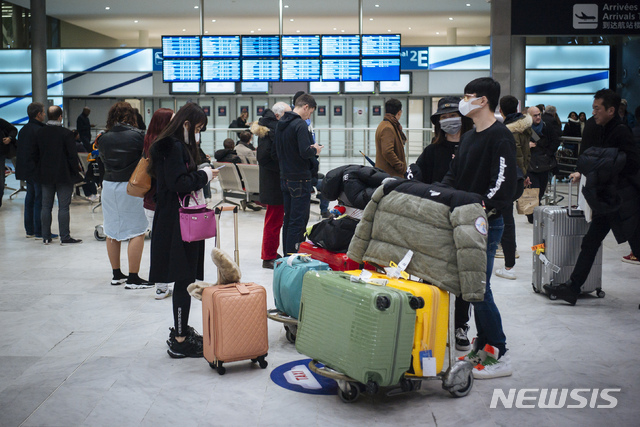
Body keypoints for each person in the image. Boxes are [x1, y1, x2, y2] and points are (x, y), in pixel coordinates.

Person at [441, 77, 517, 379]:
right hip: (464, 220)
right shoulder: (470, 136)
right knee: (471, 288)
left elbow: (503, 184)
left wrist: (482, 207)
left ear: (482, 100)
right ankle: (484, 344)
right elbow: (454, 174)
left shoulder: (500, 137)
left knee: (479, 289)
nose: (463, 101)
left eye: (467, 96)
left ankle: (499, 350)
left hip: (486, 222)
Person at [544, 89, 640, 305]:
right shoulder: (602, 129)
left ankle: (573, 287)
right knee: (590, 242)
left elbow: (631, 163)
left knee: (636, 245)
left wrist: (604, 164)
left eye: (597, 108)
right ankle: (573, 288)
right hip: (609, 199)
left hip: (623, 200)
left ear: (611, 110)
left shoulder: (621, 131)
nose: (593, 112)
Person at [148, 102, 218, 358]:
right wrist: (206, 176)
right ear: (186, 124)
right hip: (177, 222)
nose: (198, 132)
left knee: (185, 277)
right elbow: (178, 183)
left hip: (177, 219)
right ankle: (179, 339)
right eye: (197, 127)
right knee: (183, 278)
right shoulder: (172, 147)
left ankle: (181, 330)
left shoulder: (173, 145)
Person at [414, 96, 474, 351]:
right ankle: (431, 323)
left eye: (454, 116)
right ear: (438, 122)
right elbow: (419, 181)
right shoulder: (431, 152)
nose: (449, 121)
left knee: (463, 275)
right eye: (444, 117)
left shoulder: (474, 147)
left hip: (466, 219)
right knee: (432, 273)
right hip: (436, 221)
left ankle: (461, 325)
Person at [99, 102, 152, 289]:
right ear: (131, 116)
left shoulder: (103, 137)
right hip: (131, 187)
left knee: (111, 230)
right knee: (137, 231)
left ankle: (116, 274)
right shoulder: (139, 136)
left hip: (108, 185)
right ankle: (133, 277)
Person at [275, 93, 322, 255]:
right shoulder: (300, 125)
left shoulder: (281, 123)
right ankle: (294, 256)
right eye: (310, 112)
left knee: (288, 219)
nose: (309, 116)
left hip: (285, 177)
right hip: (300, 178)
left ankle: (287, 254)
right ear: (305, 107)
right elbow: (304, 152)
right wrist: (315, 150)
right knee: (299, 220)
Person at [32, 106, 83, 245]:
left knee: (46, 206)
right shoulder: (66, 134)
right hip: (63, 174)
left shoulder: (40, 132)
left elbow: (35, 154)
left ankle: (45, 236)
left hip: (45, 174)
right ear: (60, 116)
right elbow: (72, 156)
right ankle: (65, 237)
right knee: (64, 206)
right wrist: (75, 172)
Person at [495, 95, 531, 280]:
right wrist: (524, 174)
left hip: (507, 178)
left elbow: (513, 156)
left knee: (504, 220)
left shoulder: (507, 130)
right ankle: (509, 260)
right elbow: (526, 154)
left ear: (500, 110)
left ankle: (509, 264)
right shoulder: (525, 125)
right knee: (507, 219)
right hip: (518, 178)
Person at [253, 102, 291, 269]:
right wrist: (283, 167)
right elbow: (265, 157)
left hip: (273, 182)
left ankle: (270, 253)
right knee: (273, 221)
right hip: (273, 183)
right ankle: (268, 256)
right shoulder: (271, 132)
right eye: (287, 115)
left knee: (274, 220)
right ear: (278, 115)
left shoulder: (269, 129)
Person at [142, 107, 175, 299]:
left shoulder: (146, 140)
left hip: (149, 199)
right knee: (164, 244)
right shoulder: (163, 144)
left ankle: (162, 283)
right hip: (161, 199)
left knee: (158, 242)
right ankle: (162, 285)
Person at [15, 102, 47, 237]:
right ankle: (39, 231)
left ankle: (30, 230)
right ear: (38, 114)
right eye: (43, 112)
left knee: (30, 198)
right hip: (37, 170)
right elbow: (42, 152)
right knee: (39, 199)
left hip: (26, 170)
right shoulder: (40, 130)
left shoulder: (23, 130)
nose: (45, 115)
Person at [526, 105, 561, 223]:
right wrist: (527, 146)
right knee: (533, 190)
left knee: (541, 191)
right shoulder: (524, 128)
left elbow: (556, 140)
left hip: (544, 163)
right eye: (535, 115)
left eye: (539, 114)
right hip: (531, 164)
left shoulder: (547, 126)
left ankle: (534, 212)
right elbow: (517, 145)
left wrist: (548, 153)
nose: (538, 117)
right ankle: (532, 215)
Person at [374, 98, 407, 177]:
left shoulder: (386, 124)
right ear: (399, 113)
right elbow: (387, 152)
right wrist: (401, 167)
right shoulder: (388, 128)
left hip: (386, 173)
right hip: (390, 174)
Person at [72, 130, 99, 202]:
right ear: (77, 136)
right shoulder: (79, 146)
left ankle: (89, 194)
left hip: (70, 172)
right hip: (78, 172)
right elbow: (87, 157)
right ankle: (92, 193)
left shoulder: (67, 145)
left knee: (84, 172)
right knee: (88, 173)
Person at [1, 117, 18, 209]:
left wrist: (10, 138)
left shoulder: (1, 122)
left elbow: (13, 129)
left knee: (0, 181)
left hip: (1, 154)